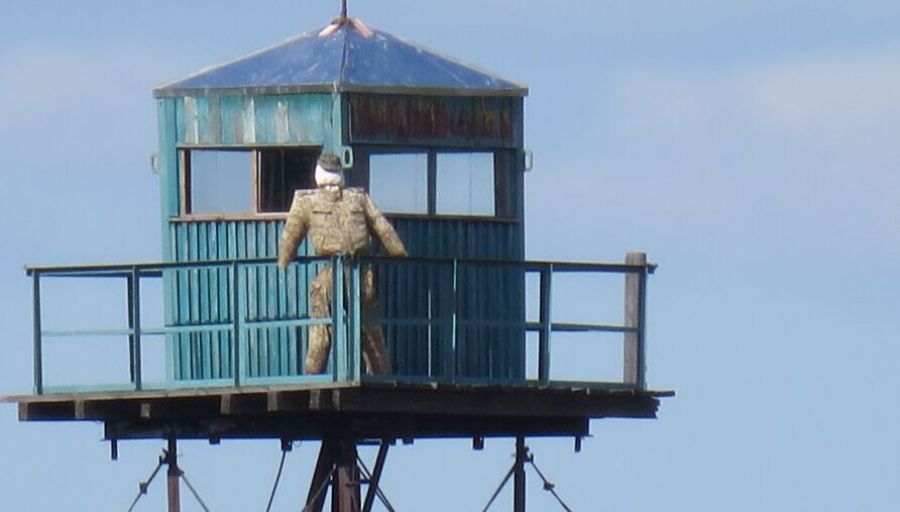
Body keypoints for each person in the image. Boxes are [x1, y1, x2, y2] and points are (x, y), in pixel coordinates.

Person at [277, 154, 407, 375]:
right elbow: (384, 229)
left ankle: (313, 380)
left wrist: (283, 261)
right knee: (370, 331)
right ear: (340, 175)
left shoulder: (306, 201)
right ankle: (382, 377)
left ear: (318, 175)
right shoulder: (358, 198)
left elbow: (290, 237)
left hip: (329, 273)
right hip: (360, 272)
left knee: (321, 330)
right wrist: (399, 253)